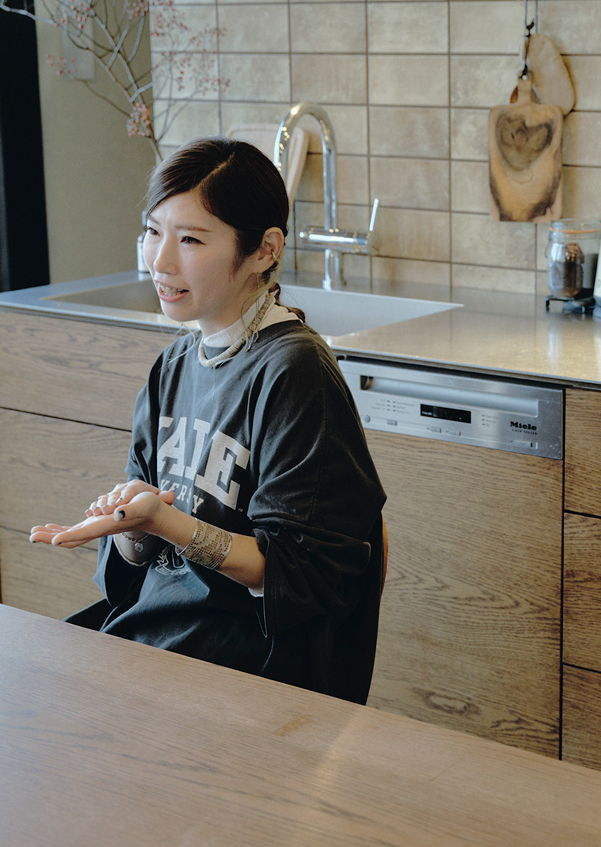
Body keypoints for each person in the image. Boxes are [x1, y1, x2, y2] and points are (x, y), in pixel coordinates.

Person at [30, 137, 387, 704]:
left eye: (191, 239)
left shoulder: (295, 372)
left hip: (247, 668)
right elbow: (139, 561)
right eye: (153, 231)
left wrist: (168, 524)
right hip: (161, 633)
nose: (160, 261)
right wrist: (131, 527)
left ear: (265, 249)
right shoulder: (174, 364)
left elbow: (300, 574)